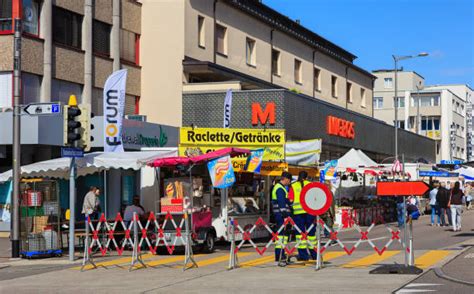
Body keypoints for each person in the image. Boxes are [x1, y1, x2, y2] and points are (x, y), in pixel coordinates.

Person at [288, 171, 316, 261]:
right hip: (310, 212)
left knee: (300, 235)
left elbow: (291, 199)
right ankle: (314, 254)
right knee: (311, 234)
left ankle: (303, 256)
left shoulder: (293, 185)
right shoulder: (311, 184)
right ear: (306, 177)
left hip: (298, 214)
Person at [271, 171, 292, 263]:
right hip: (280, 215)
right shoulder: (280, 188)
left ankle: (282, 255)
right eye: (289, 180)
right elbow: (281, 203)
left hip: (279, 214)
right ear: (286, 179)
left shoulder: (280, 188)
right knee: (281, 235)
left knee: (283, 235)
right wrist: (285, 215)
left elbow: (284, 201)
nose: (290, 182)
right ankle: (279, 256)